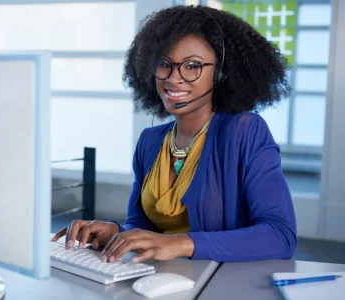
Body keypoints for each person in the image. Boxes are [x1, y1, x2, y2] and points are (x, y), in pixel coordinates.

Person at [52, 5, 297, 264]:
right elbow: (142, 225)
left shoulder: (244, 132)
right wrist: (117, 232)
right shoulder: (150, 141)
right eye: (164, 64)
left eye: (192, 65)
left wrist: (180, 244)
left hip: (219, 281)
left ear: (222, 72)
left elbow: (281, 235)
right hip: (158, 280)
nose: (173, 78)